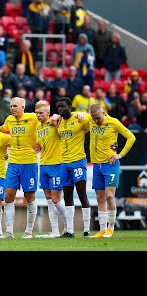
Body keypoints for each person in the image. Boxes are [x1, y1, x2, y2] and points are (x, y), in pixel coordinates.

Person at [0, 97, 49, 238]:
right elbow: (3, 128)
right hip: (13, 162)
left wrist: (40, 143)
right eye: (11, 106)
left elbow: (47, 124)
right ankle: (9, 232)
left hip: (29, 163)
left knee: (29, 195)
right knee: (8, 194)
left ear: (23, 107)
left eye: (15, 106)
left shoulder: (32, 118)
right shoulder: (9, 120)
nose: (12, 108)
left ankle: (29, 231)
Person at [88, 104, 136, 238]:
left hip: (110, 164)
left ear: (103, 113)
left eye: (98, 118)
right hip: (97, 165)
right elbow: (77, 116)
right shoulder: (90, 120)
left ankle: (111, 228)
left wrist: (120, 154)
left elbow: (131, 137)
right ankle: (102, 230)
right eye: (93, 118)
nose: (96, 121)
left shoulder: (113, 122)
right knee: (99, 198)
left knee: (110, 196)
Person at [55, 97, 92, 238]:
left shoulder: (79, 119)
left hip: (78, 161)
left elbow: (93, 118)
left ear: (70, 106)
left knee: (82, 195)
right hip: (64, 163)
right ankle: (69, 230)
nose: (60, 109)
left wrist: (83, 114)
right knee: (67, 196)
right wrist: (54, 116)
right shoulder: (58, 122)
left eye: (63, 106)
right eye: (58, 107)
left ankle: (87, 230)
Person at [33, 101, 67, 238]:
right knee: (48, 198)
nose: (38, 115)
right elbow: (41, 142)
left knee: (56, 198)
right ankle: (54, 231)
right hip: (44, 165)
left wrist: (56, 115)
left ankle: (68, 227)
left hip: (57, 164)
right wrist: (38, 146)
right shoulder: (37, 127)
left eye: (41, 113)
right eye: (37, 113)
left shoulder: (54, 122)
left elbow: (63, 118)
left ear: (48, 113)